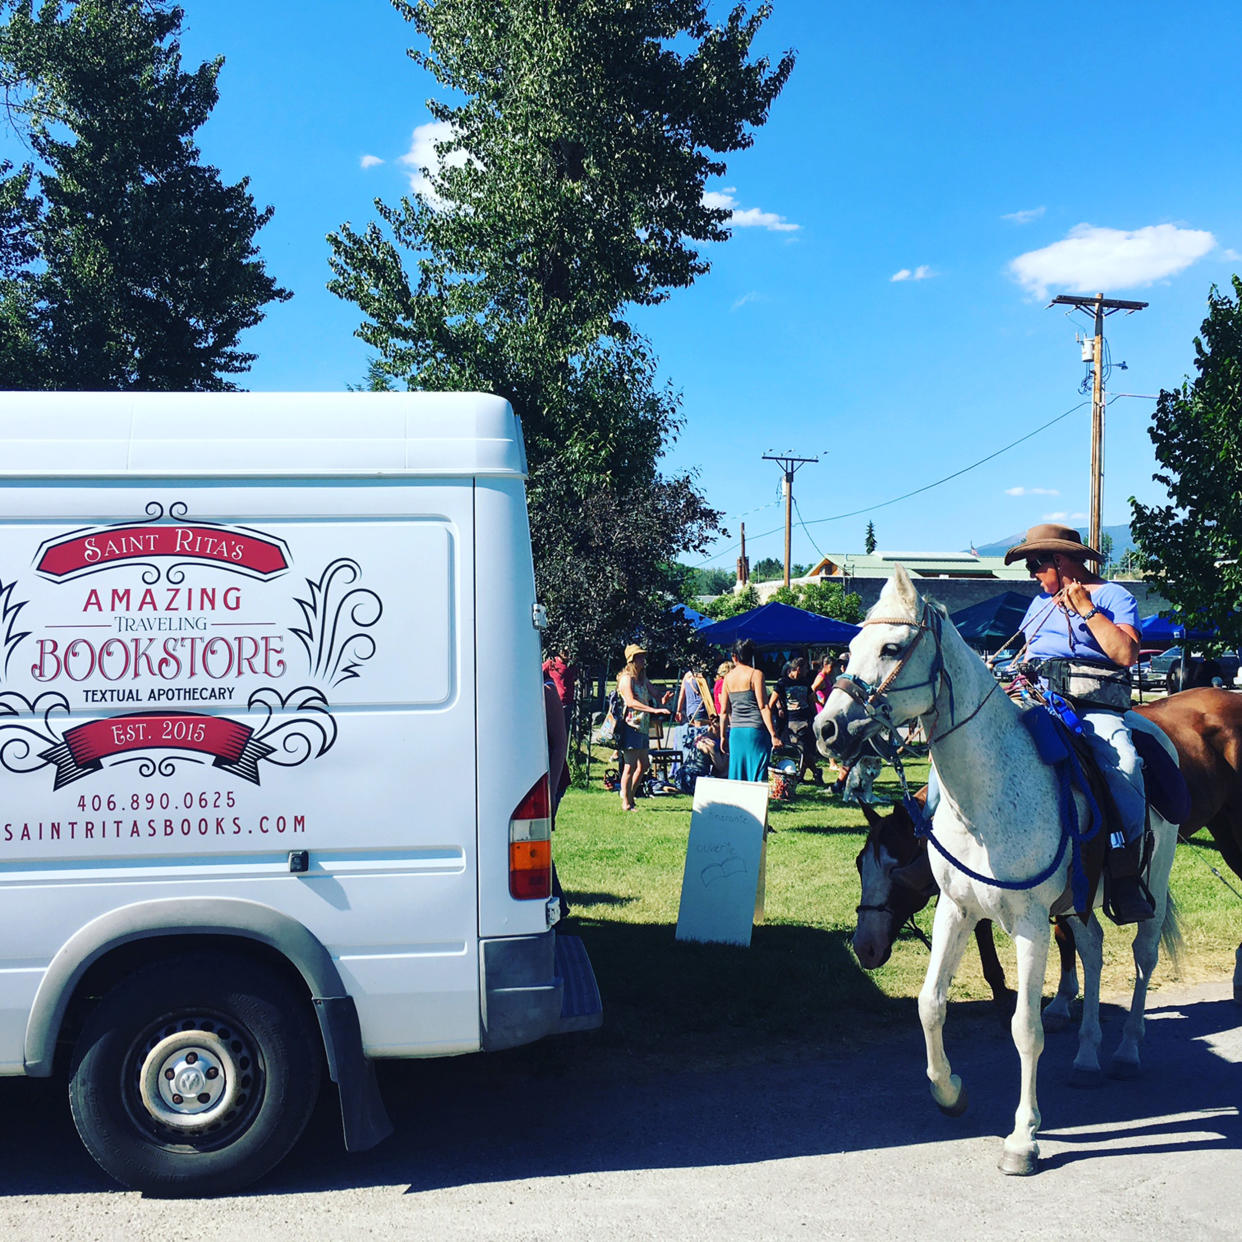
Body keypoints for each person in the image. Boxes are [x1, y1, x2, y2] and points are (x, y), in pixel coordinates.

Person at [1004, 522, 1154, 923]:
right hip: (1033, 700)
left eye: (1036, 565)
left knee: (1125, 763)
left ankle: (1123, 869)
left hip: (1093, 708)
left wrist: (1087, 610)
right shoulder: (1038, 605)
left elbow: (1125, 654)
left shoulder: (1115, 597)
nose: (1033, 575)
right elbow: (1025, 657)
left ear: (1060, 560)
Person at [616, 643, 670, 812]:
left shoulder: (642, 678)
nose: (643, 660)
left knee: (644, 765)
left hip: (643, 727)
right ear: (632, 660)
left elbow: (656, 695)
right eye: (640, 657)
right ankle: (626, 801)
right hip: (631, 726)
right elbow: (631, 702)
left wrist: (664, 699)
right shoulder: (626, 679)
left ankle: (630, 796)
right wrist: (654, 710)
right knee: (629, 766)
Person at [718, 638, 780, 783]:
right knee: (757, 769)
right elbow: (763, 706)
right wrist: (773, 734)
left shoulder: (727, 678)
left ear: (734, 656)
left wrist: (722, 736)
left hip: (736, 732)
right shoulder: (756, 674)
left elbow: (724, 712)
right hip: (755, 731)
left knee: (738, 771)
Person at [771, 655, 822, 785]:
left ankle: (806, 774)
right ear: (798, 669)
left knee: (803, 749)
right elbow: (772, 701)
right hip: (789, 722)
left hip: (804, 720)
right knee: (797, 750)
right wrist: (777, 710)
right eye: (805, 669)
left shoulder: (805, 683)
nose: (807, 672)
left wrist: (816, 715)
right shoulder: (782, 683)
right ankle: (813, 772)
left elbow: (811, 700)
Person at [542, 649, 578, 734]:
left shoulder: (571, 665)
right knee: (554, 731)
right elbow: (539, 675)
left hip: (568, 703)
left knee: (564, 730)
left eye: (568, 651)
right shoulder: (551, 664)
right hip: (556, 703)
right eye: (564, 651)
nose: (566, 653)